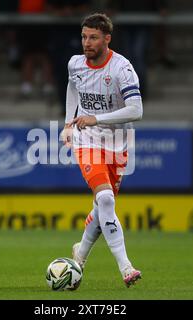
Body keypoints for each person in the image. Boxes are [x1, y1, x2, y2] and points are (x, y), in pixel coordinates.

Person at [60, 13, 143, 287]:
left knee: (101, 205)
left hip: (117, 144)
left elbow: (136, 110)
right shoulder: (75, 64)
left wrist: (98, 118)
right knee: (106, 199)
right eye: (84, 36)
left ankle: (80, 254)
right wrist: (69, 124)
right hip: (86, 141)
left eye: (93, 37)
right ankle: (126, 267)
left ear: (107, 39)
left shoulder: (122, 69)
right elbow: (72, 88)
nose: (87, 42)